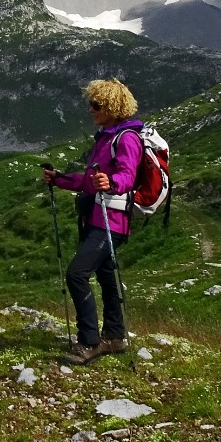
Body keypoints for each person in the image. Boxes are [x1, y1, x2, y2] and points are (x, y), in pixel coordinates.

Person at [41, 78, 144, 364]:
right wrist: (59, 179)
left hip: (111, 221)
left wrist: (110, 182)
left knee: (76, 274)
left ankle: (89, 342)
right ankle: (115, 336)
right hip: (98, 219)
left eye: (96, 105)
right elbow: (89, 181)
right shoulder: (106, 138)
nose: (91, 109)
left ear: (112, 107)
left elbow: (126, 176)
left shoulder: (127, 138)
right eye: (91, 104)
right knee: (107, 277)